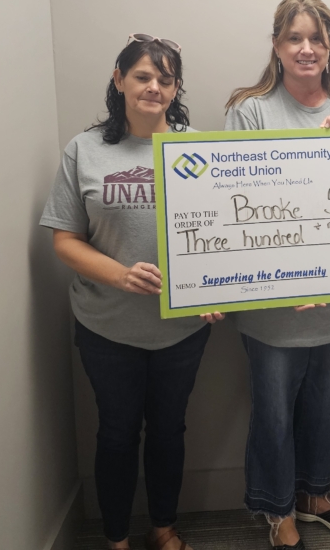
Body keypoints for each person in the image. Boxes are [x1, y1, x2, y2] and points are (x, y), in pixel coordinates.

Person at [41, 35, 222, 550]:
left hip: (181, 330)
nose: (153, 87)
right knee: (116, 433)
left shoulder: (198, 150)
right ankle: (116, 538)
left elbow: (223, 234)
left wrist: (219, 288)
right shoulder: (85, 150)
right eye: (143, 76)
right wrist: (120, 276)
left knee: (169, 430)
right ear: (119, 80)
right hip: (106, 326)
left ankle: (163, 527)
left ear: (176, 88)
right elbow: (65, 240)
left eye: (165, 79)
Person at [224, 0, 330, 550]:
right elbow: (238, 205)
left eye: (316, 39)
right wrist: (287, 280)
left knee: (326, 407)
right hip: (273, 303)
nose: (306, 49)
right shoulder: (251, 111)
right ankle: (277, 507)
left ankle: (314, 494)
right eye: (294, 38)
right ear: (276, 46)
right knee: (274, 412)